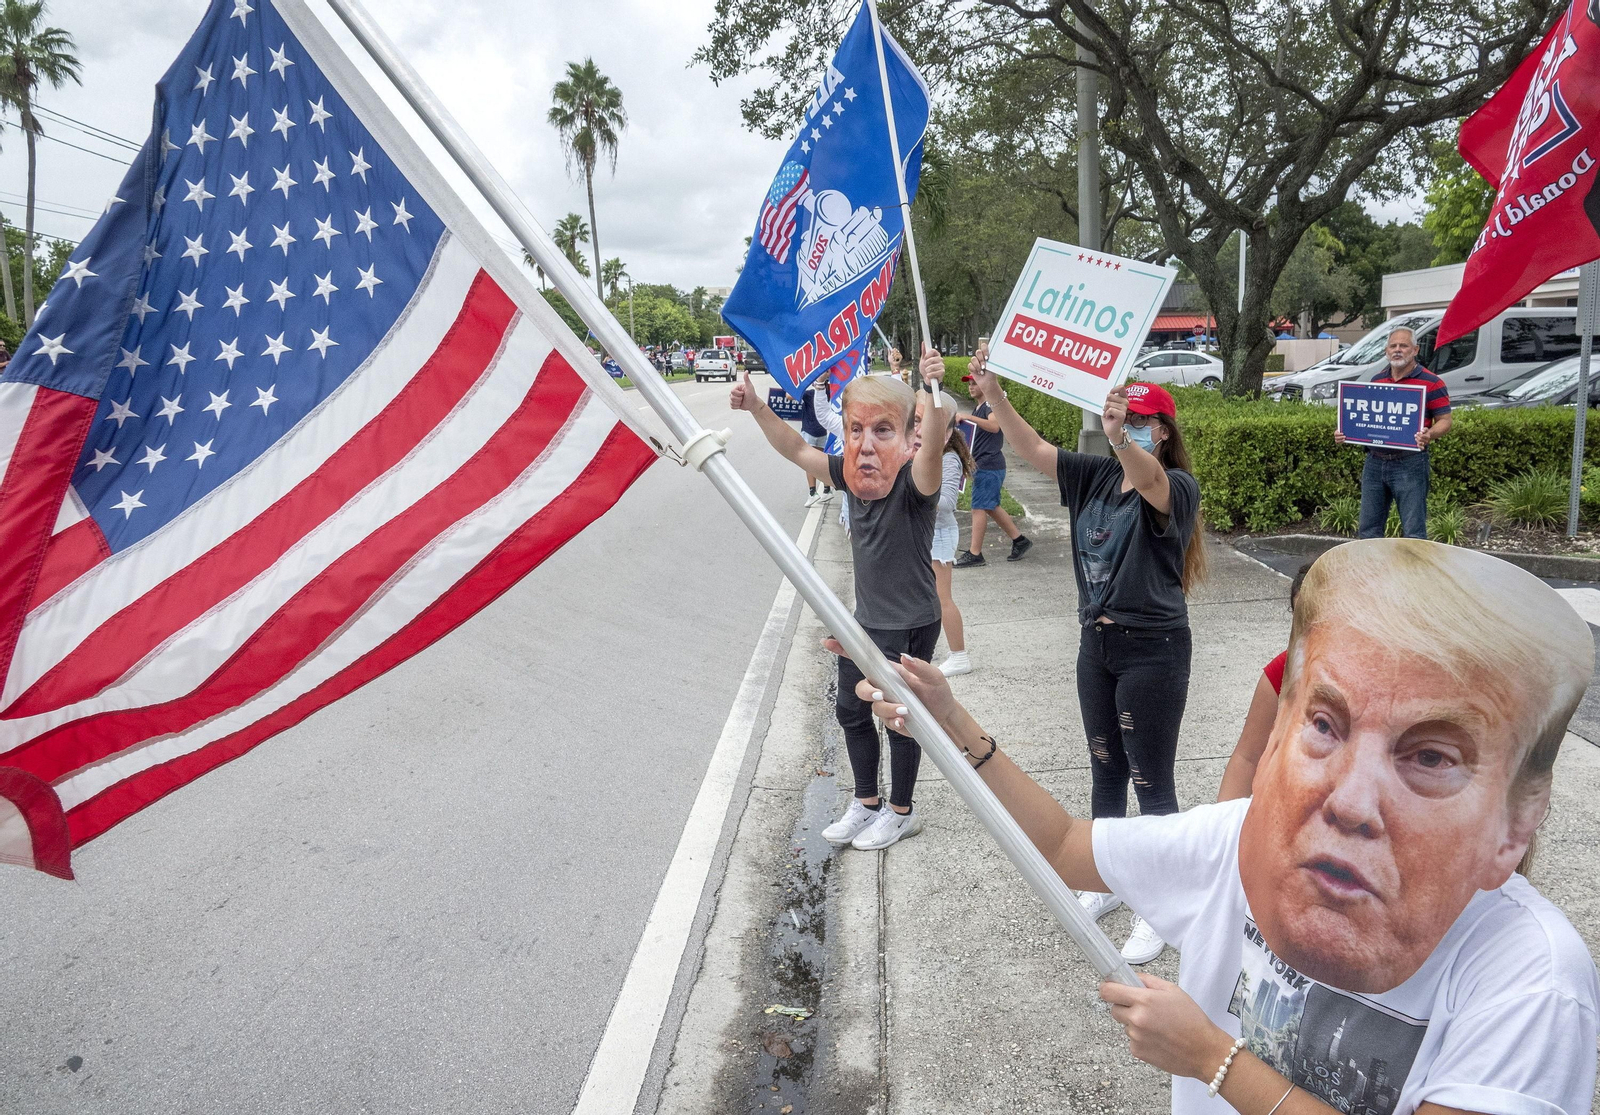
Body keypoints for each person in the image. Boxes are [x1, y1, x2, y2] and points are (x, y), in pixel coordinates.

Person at [834, 538, 1598, 1115]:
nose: (1351, 801)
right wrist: (951, 720)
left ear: (1516, 823)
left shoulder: (1532, 980)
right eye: (1326, 724)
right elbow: (1067, 848)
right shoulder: (1231, 842)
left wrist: (1215, 1058)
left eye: (1430, 756)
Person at [969, 356, 1206, 964]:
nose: (1126, 424)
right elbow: (1033, 449)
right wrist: (994, 393)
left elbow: (1149, 480)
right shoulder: (1096, 476)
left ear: (1162, 430)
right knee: (1105, 768)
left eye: (1141, 418)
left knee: (1152, 780)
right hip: (1096, 643)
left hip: (1153, 648)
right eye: (1124, 416)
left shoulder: (1176, 486)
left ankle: (1160, 901)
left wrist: (1123, 436)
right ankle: (1107, 880)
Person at [731, 348, 948, 850]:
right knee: (852, 712)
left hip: (910, 620)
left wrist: (932, 392)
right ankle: (866, 802)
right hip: (863, 621)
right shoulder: (851, 479)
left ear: (908, 440)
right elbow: (795, 450)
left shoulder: (916, 485)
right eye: (856, 430)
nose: (866, 445)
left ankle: (901, 811)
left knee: (898, 721)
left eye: (883, 431)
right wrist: (758, 407)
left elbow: (933, 449)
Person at [1334, 326, 1452, 540]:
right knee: (1369, 529)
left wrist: (1429, 434)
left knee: (1413, 531)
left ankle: (1412, 574)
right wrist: (1346, 433)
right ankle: (1373, 572)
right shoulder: (1377, 380)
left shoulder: (1432, 382)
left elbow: (1445, 420)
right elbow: (1365, 418)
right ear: (1386, 351)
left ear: (1415, 350)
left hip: (1410, 462)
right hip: (1375, 462)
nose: (1398, 350)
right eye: (1393, 346)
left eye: (1404, 345)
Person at [1217, 560, 1315, 802]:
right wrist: (1224, 825)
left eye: (1323, 621)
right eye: (1302, 622)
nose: (1313, 634)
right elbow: (1247, 757)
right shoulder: (1283, 670)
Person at [953, 355, 1032, 568]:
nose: (971, 386)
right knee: (991, 506)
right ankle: (1020, 540)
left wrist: (968, 418)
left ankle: (975, 553)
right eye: (969, 383)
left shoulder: (989, 405)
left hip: (990, 464)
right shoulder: (979, 407)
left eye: (974, 382)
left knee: (978, 507)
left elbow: (995, 426)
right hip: (984, 465)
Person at [921, 400, 977, 677]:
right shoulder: (928, 453)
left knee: (943, 598)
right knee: (926, 596)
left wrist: (918, 491)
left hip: (940, 534)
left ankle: (959, 656)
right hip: (925, 532)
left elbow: (947, 503)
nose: (920, 429)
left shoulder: (949, 458)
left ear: (946, 431)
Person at [800, 385, 834, 507]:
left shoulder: (809, 394)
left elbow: (790, 396)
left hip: (809, 431)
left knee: (808, 462)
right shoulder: (829, 392)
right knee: (821, 460)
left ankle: (812, 492)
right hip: (822, 431)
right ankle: (826, 489)